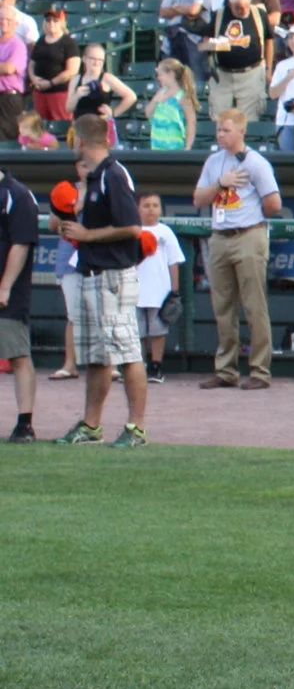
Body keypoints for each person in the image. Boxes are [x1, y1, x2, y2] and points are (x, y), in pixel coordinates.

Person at [52, 115, 150, 446]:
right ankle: (91, 424)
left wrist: (87, 235)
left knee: (127, 351)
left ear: (79, 141)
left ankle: (136, 427)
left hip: (114, 276)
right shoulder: (94, 178)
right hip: (90, 272)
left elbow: (133, 227)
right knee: (96, 356)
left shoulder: (113, 174)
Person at [188, 109, 283, 390]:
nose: (220, 134)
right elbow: (197, 199)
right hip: (219, 235)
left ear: (242, 132)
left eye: (226, 130)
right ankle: (226, 370)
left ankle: (259, 371)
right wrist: (220, 183)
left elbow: (274, 203)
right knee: (223, 307)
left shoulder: (256, 163)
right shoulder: (214, 162)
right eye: (218, 130)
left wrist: (252, 219)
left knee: (254, 306)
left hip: (248, 234)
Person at [128, 193, 183, 385]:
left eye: (155, 205)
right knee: (137, 331)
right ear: (137, 208)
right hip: (134, 290)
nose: (151, 209)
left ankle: (156, 365)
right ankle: (139, 365)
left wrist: (174, 290)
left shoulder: (165, 232)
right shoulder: (131, 230)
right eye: (146, 205)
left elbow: (174, 261)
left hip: (160, 291)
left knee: (158, 331)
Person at [0, 160, 37, 442]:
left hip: (8, 290)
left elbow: (21, 243)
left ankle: (25, 423)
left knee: (17, 354)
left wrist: (5, 286)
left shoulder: (17, 194)